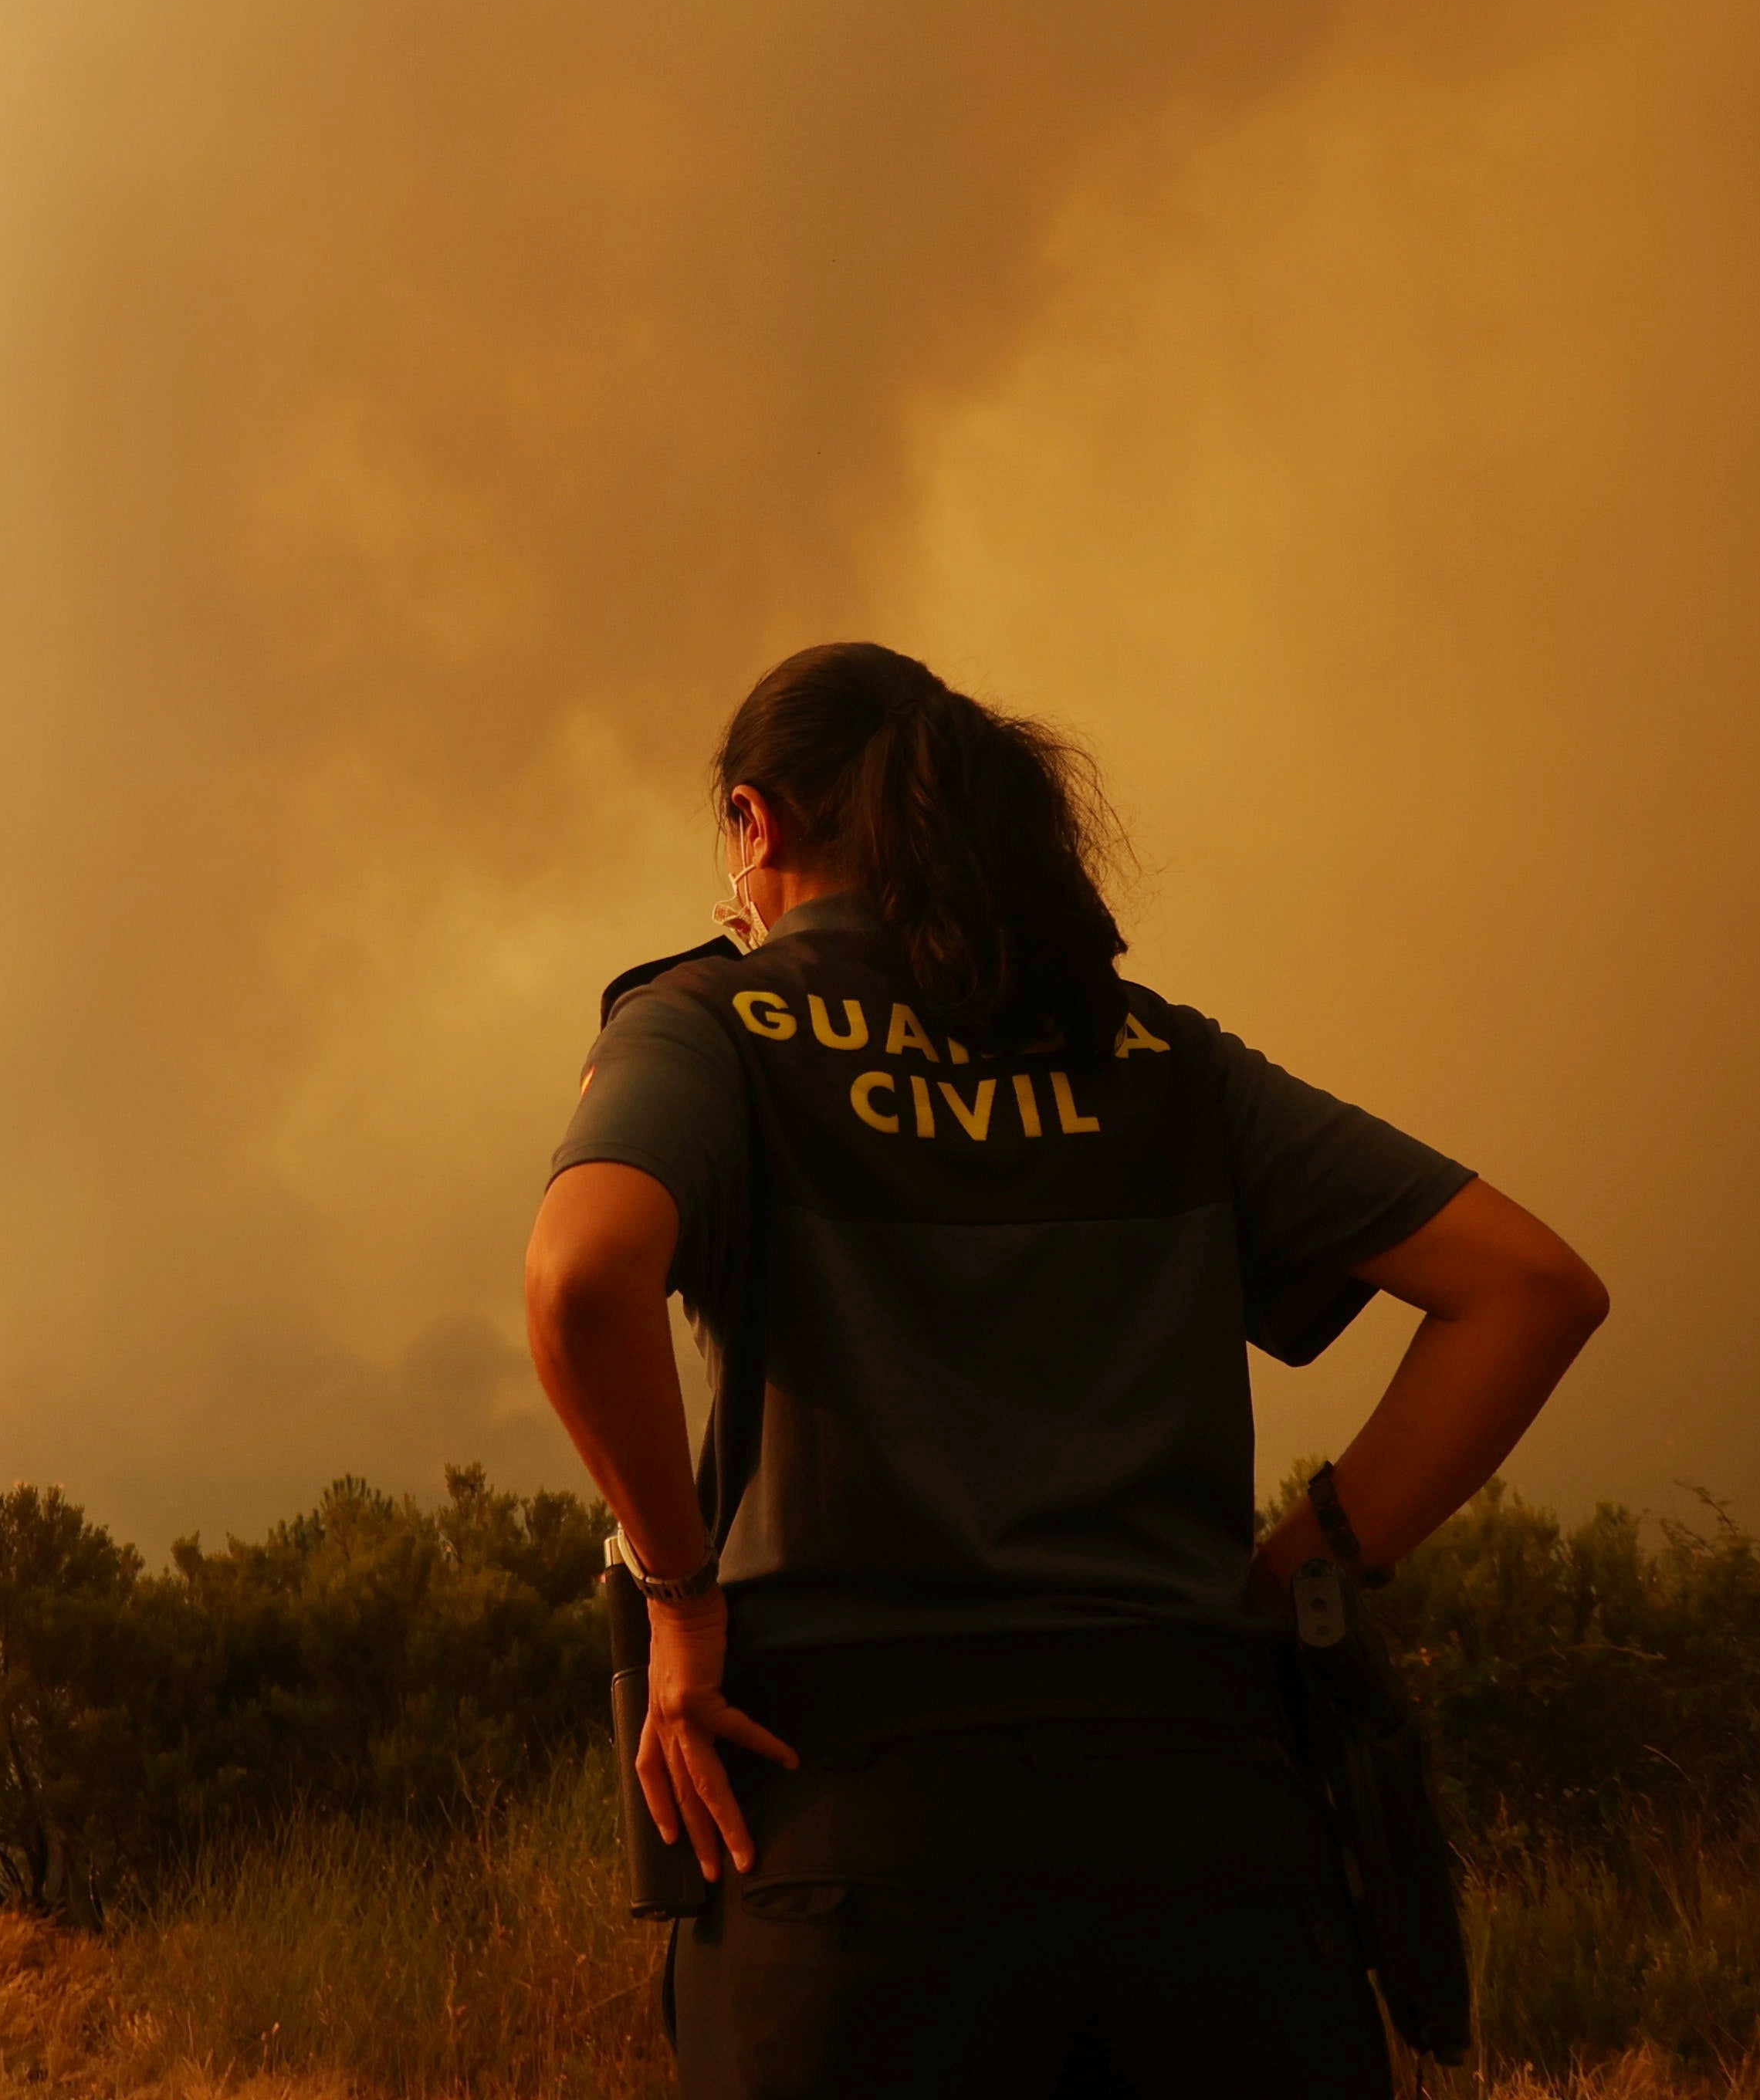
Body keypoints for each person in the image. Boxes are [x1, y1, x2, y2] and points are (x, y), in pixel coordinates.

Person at [525, 643, 1608, 2100]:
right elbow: (1531, 1290)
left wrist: (680, 1600)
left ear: (753, 823)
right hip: (1214, 1841)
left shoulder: (713, 1027)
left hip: (854, 1857)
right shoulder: (1158, 1054)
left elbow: (582, 1276)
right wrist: (1297, 1570)